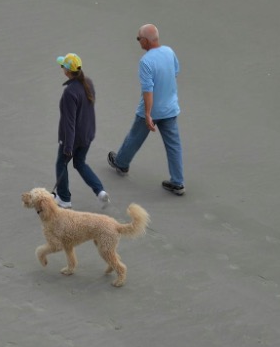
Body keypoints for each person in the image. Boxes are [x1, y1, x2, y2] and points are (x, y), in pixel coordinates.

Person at [108, 24, 185, 195]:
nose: (138, 42)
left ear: (145, 40)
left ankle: (121, 163)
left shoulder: (146, 61)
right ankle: (178, 182)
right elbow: (175, 73)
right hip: (170, 109)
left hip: (151, 110)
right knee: (174, 146)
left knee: (134, 137)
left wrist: (148, 114)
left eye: (138, 38)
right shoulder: (169, 52)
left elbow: (148, 90)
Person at [54, 53, 110, 210]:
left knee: (61, 164)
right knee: (79, 163)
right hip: (88, 135)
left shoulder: (69, 93)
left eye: (62, 66)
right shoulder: (88, 83)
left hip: (72, 139)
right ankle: (100, 192)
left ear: (67, 71)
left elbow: (69, 122)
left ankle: (64, 199)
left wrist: (67, 147)